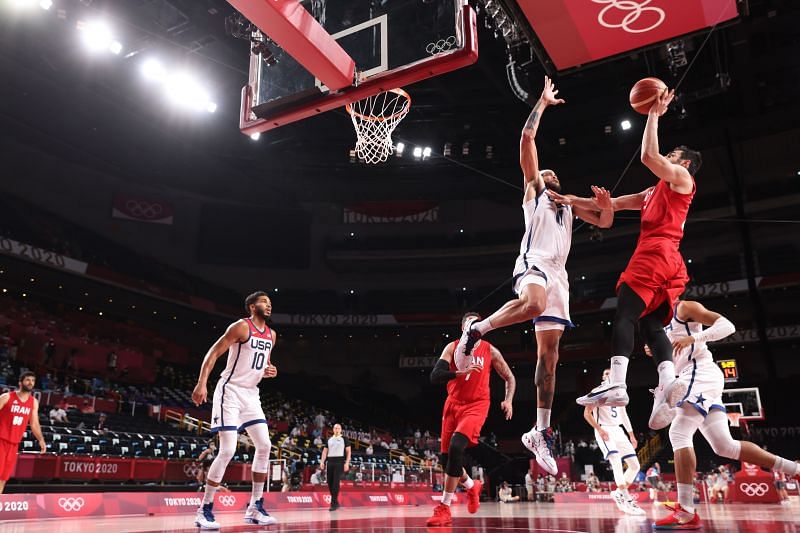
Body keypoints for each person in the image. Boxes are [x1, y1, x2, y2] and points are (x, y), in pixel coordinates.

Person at [452, 77, 612, 476]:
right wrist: (540, 104)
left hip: (560, 277)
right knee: (534, 302)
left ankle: (540, 431)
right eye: (547, 172)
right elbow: (526, 140)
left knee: (550, 359)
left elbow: (606, 221)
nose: (551, 175)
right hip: (534, 264)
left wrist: (604, 204)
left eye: (555, 173)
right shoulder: (535, 193)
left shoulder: (569, 206)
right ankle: (477, 331)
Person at [568, 89, 703, 431]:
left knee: (625, 313)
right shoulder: (651, 193)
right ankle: (667, 382)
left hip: (656, 253)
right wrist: (569, 199)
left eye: (673, 154)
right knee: (651, 324)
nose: (668, 157)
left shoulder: (683, 179)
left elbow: (648, 155)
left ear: (684, 163)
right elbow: (609, 205)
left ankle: (617, 383)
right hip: (669, 261)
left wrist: (654, 114)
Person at [654, 299, 800, 529]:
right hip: (693, 379)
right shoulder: (655, 323)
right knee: (725, 446)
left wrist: (695, 337)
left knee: (679, 433)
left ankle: (686, 511)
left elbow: (727, 326)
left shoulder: (682, 308)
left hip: (699, 373)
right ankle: (795, 469)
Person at [191, 291, 279, 529]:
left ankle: (255, 507)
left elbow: (263, 364)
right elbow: (214, 352)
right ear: (252, 307)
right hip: (230, 391)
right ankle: (204, 510)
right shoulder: (241, 327)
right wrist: (202, 383)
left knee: (265, 446)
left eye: (270, 303)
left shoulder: (271, 334)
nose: (268, 305)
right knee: (228, 449)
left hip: (252, 395)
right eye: (263, 302)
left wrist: (271, 371)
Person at [426, 312, 517, 526]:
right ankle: (471, 486)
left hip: (477, 405)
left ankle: (444, 508)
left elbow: (509, 377)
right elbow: (435, 376)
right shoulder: (452, 347)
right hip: (453, 405)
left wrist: (509, 400)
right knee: (446, 461)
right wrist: (459, 373)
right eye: (469, 323)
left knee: (458, 446)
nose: (473, 327)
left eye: (477, 324)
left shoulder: (490, 350)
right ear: (463, 328)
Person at [582, 368, 645, 516]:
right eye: (605, 373)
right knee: (616, 462)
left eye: (610, 373)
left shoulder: (620, 393)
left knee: (635, 466)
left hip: (618, 431)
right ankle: (627, 500)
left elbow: (624, 416)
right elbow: (586, 413)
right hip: (604, 429)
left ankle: (618, 493)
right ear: (603, 377)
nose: (608, 375)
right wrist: (599, 429)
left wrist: (631, 435)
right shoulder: (597, 391)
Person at [0, 372, 46, 493]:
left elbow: (34, 423)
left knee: (4, 477)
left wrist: (41, 439)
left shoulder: (33, 402)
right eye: (27, 380)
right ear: (20, 383)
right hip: (1, 439)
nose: (30, 382)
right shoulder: (7, 397)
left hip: (14, 443)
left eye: (33, 380)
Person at [320, 423, 351, 511]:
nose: (337, 429)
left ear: (341, 430)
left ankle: (333, 503)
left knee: (335, 482)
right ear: (333, 429)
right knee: (329, 482)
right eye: (335, 428)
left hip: (339, 461)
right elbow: (325, 452)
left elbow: (348, 452)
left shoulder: (344, 439)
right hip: (330, 461)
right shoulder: (329, 439)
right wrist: (322, 461)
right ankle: (336, 502)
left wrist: (347, 463)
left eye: (338, 428)